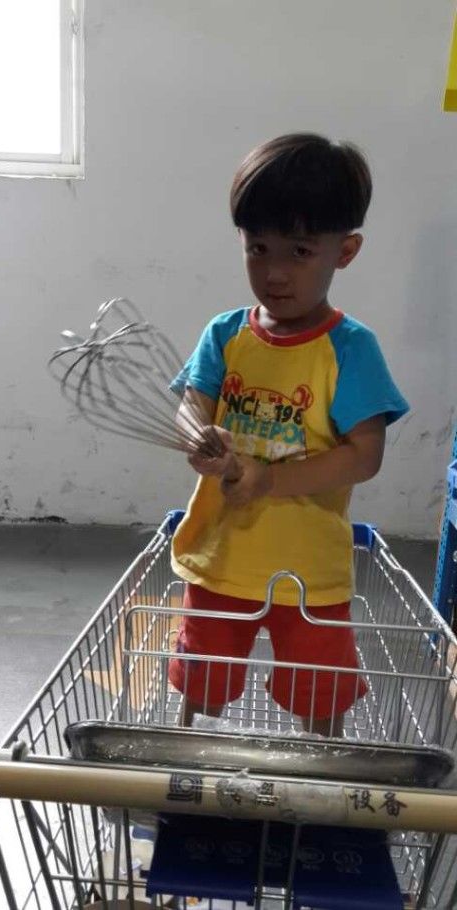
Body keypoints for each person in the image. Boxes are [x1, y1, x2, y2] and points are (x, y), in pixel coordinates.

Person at [168, 133, 409, 736]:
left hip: (310, 573)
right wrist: (200, 436)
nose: (274, 272)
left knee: (319, 692)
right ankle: (190, 765)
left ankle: (319, 780)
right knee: (203, 683)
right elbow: (191, 407)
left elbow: (363, 456)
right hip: (221, 557)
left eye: (300, 251)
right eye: (258, 248)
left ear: (344, 251)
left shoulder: (350, 349)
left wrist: (269, 479)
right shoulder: (225, 334)